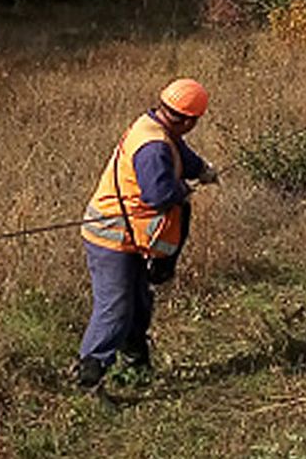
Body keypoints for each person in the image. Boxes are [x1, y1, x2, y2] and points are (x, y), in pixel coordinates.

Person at [76, 78, 219, 391]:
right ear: (187, 119)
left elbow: (181, 153)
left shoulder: (156, 125)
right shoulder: (152, 146)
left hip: (131, 235)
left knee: (139, 303)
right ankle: (90, 375)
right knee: (115, 306)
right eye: (195, 121)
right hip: (111, 235)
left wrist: (202, 170)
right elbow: (158, 194)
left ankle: (135, 365)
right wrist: (184, 187)